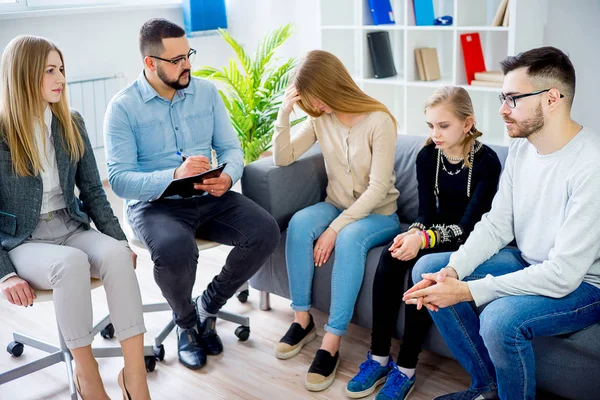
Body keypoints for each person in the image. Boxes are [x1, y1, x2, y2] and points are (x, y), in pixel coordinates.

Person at [404, 46, 600, 400]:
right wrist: (454, 270)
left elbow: (563, 275)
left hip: (584, 284)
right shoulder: (523, 150)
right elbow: (497, 224)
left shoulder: (591, 164)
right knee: (429, 269)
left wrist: (465, 290)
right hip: (529, 260)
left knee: (498, 320)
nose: (501, 110)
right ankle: (487, 386)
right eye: (502, 97)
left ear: (552, 98)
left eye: (512, 99)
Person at [103, 18, 280, 370]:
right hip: (155, 206)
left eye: (188, 55)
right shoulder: (122, 108)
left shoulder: (206, 93)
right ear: (150, 63)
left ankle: (207, 306)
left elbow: (231, 149)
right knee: (175, 249)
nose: (187, 65)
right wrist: (173, 175)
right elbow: (120, 180)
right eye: (176, 60)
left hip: (207, 195)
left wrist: (228, 176)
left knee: (265, 231)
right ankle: (186, 324)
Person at [0, 35, 150, 399]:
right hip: (25, 239)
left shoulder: (71, 122)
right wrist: (4, 274)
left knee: (117, 255)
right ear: (23, 75)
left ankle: (135, 376)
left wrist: (118, 239)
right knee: (70, 264)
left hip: (69, 224)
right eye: (50, 70)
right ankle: (88, 375)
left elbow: (94, 192)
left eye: (61, 69)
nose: (61, 78)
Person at [346, 86, 501, 400]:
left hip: (469, 243)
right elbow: (426, 213)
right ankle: (378, 358)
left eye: (443, 126)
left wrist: (423, 239)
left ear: (468, 123)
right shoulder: (428, 155)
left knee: (424, 272)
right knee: (391, 257)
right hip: (433, 234)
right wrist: (412, 233)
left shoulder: (488, 163)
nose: (436, 134)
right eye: (431, 125)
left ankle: (405, 370)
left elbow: (468, 226)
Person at [272, 49, 402, 391]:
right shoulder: (320, 117)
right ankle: (302, 321)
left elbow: (376, 190)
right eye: (309, 101)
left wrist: (334, 227)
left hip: (379, 214)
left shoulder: (379, 120)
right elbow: (283, 157)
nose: (315, 106)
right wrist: (284, 113)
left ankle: (332, 342)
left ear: (333, 86)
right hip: (336, 204)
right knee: (299, 224)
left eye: (318, 98)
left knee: (346, 239)